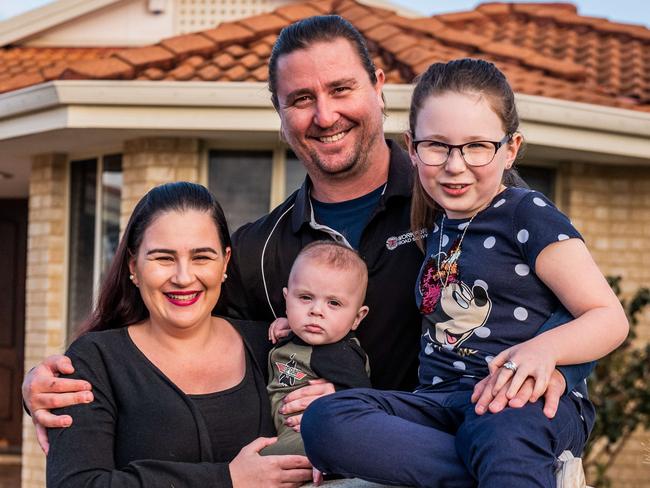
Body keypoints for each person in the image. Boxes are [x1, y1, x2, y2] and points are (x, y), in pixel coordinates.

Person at [24, 15, 589, 459]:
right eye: (300, 99)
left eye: (341, 89)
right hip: (326, 462)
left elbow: (573, 307)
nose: (325, 115)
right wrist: (64, 380)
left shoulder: (457, 193)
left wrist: (551, 370)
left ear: (379, 88)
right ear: (279, 112)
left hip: (484, 434)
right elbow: (179, 332)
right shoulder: (256, 248)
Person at [300, 59, 629, 487]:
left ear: (510, 148)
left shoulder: (527, 214)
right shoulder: (434, 226)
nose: (456, 165)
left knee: (498, 433)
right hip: (438, 405)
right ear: (412, 148)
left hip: (519, 405)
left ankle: (507, 467)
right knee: (327, 419)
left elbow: (608, 317)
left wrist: (544, 353)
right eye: (436, 146)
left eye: (477, 146)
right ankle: (498, 476)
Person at [46, 182, 312, 487]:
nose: (183, 277)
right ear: (134, 266)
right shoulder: (94, 361)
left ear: (225, 262)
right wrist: (227, 480)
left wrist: (336, 399)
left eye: (202, 257)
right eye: (163, 258)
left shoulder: (271, 346)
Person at [262, 240, 371, 457]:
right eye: (305, 298)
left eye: (334, 303)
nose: (316, 311)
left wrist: (337, 399)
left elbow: (364, 399)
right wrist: (289, 324)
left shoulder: (338, 354)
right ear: (286, 300)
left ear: (357, 318)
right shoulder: (301, 336)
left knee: (262, 458)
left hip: (308, 438)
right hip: (287, 432)